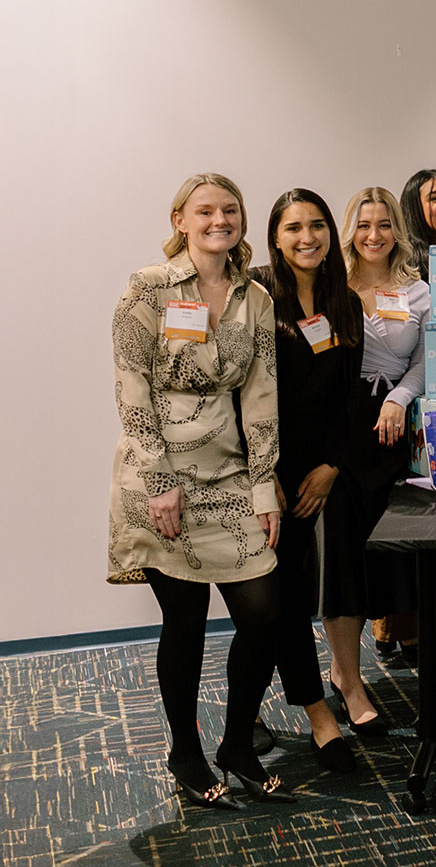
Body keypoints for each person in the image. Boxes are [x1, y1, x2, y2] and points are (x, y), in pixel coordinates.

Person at [109, 173, 289, 807]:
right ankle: (185, 752)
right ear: (180, 219)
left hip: (230, 474)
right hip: (162, 479)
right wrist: (159, 483)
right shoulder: (148, 289)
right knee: (184, 623)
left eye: (231, 210)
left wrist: (264, 486)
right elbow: (132, 390)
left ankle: (237, 742)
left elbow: (261, 394)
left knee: (265, 614)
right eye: (206, 210)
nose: (221, 220)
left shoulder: (255, 297)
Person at [252, 189, 363, 774]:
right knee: (272, 600)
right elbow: (239, 394)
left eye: (318, 225)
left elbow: (350, 398)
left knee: (285, 596)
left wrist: (332, 466)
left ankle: (306, 704)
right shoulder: (254, 295)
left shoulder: (343, 301)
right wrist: (262, 475)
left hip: (319, 467)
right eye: (293, 227)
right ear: (275, 236)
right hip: (263, 470)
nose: (308, 237)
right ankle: (319, 715)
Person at [317, 186, 430, 734]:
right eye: (364, 224)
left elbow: (430, 361)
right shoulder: (330, 286)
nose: (375, 234)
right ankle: (349, 678)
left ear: (397, 231)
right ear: (350, 231)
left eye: (384, 224)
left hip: (392, 431)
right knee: (342, 557)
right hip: (340, 429)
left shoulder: (418, 291)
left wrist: (397, 399)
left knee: (389, 554)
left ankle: (356, 667)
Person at [374, 170, 436, 659]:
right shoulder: (409, 269)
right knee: (410, 520)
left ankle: (427, 630)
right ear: (415, 206)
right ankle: (406, 630)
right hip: (411, 400)